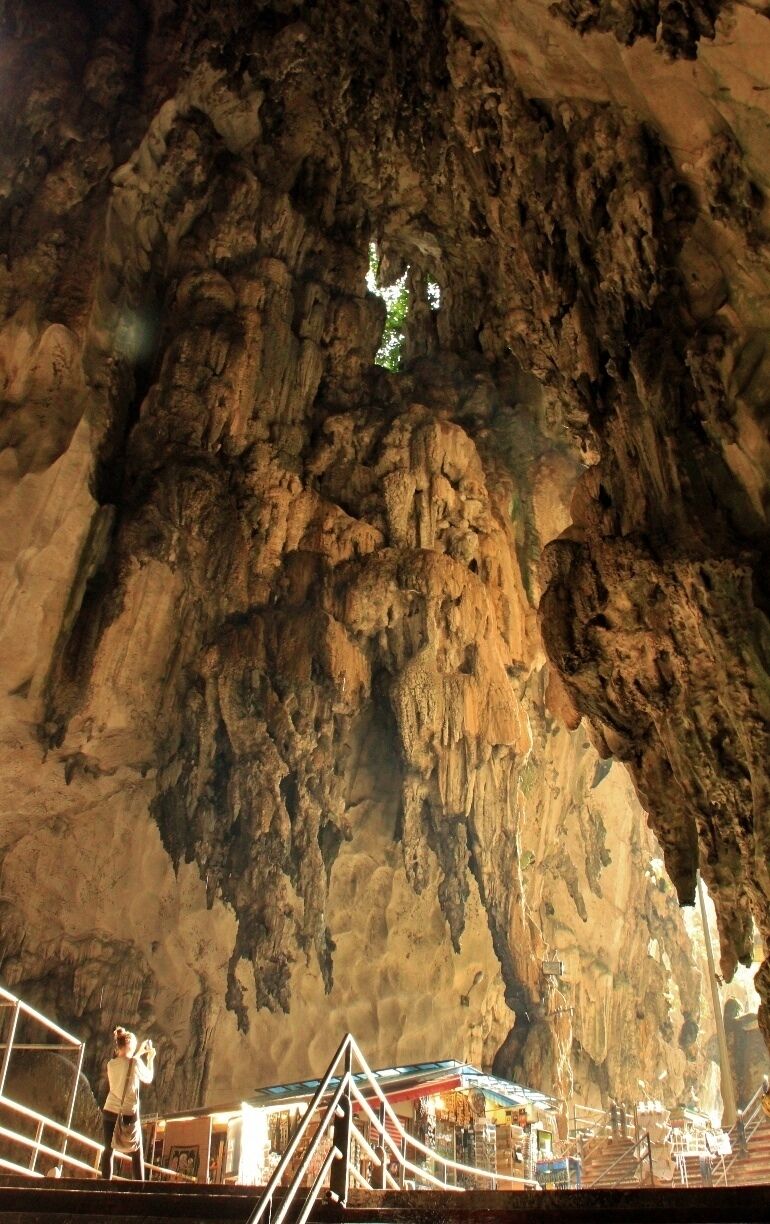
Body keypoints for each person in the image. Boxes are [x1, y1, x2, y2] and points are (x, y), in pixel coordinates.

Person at [101, 1026, 156, 1180]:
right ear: (130, 1045)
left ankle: (105, 1185)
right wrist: (150, 1059)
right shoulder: (135, 1063)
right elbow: (148, 1077)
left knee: (108, 1150)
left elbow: (128, 1064)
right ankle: (139, 1188)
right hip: (128, 1113)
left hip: (109, 1111)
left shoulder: (111, 1064)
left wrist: (139, 1053)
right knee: (136, 1152)